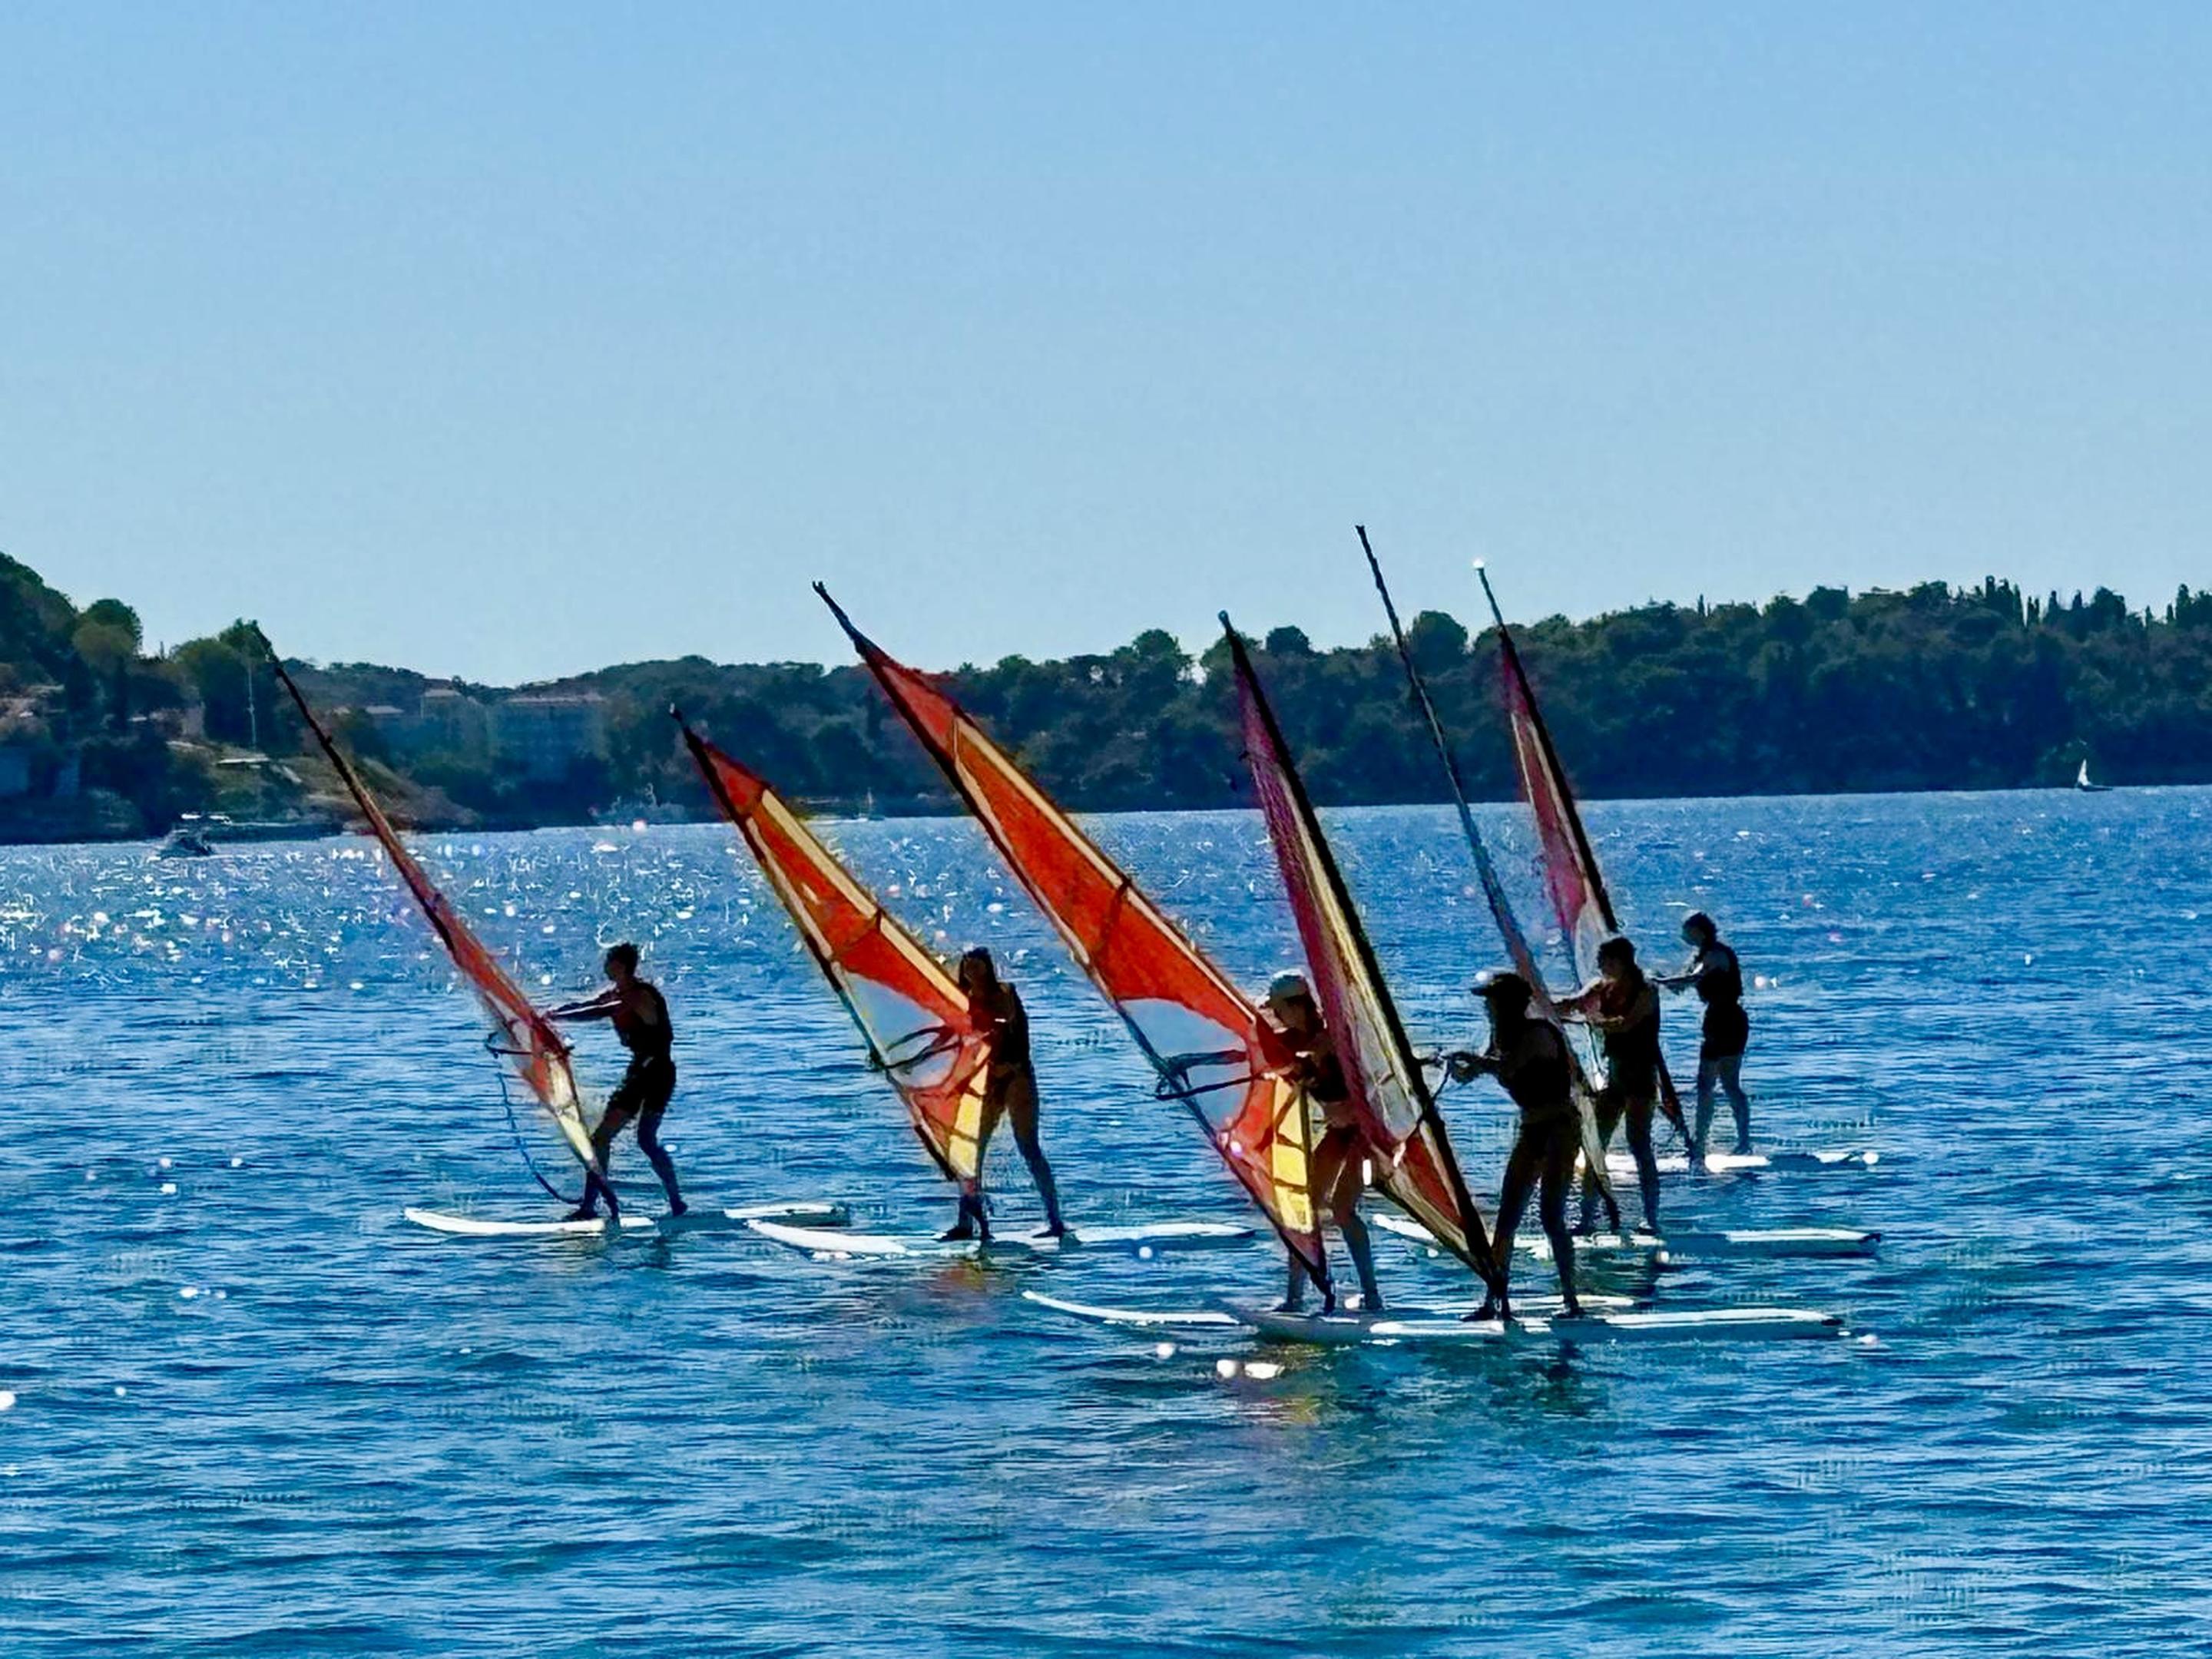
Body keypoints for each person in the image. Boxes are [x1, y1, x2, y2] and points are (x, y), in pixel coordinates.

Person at [1449, 970, 1581, 1321]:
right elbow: (1473, 1074)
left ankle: (1572, 1301)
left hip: (1559, 1128)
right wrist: (1452, 1065)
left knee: (1551, 1216)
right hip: (1531, 1128)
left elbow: (1508, 1066)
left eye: (1491, 1001)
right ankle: (1492, 1302)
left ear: (1509, 1004)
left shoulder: (1538, 1033)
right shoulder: (1500, 1036)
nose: (1487, 1008)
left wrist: (1473, 1060)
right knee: (1507, 1217)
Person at [1264, 970, 1385, 1316]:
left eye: (1279, 1009)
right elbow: (1250, 1054)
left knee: (1342, 1208)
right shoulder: (1288, 1041)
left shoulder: (1334, 1037)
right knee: (1304, 1209)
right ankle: (1295, 1297)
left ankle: (1372, 1295)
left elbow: (1356, 1059)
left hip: (1366, 1134)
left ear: (1296, 1006)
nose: (1276, 1016)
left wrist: (1310, 1061)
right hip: (1338, 1132)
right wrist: (1195, 1062)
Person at [548, 942, 684, 1221]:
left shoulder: (639, 995)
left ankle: (591, 1207)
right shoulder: (618, 994)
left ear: (620, 965)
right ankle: (676, 1202)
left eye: (608, 962)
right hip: (651, 1070)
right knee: (643, 1140)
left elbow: (598, 1011)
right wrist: (549, 1013)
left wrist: (557, 1016)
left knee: (606, 1139)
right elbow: (587, 1006)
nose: (604, 967)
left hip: (653, 1072)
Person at [939, 947, 1063, 1243]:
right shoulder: (962, 1000)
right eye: (968, 967)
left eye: (977, 966)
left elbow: (1020, 1037)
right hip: (984, 1081)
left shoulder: (1006, 993)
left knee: (1029, 1148)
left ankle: (1056, 1221)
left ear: (988, 968)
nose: (972, 972)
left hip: (1016, 1076)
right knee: (970, 1153)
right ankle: (966, 1224)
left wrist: (1009, 1067)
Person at [1561, 936, 1664, 1234]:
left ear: (1621, 961)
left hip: (1641, 1077)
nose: (1599, 965)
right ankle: (1587, 1219)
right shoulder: (1600, 987)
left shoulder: (1646, 990)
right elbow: (1572, 1006)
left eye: (1603, 959)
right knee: (1595, 1146)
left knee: (1639, 1144)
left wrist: (1589, 1022)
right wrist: (1538, 1003)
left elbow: (1626, 1023)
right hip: (1616, 1077)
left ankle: (1651, 1218)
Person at [1657, 912, 1751, 1164]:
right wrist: (1656, 981)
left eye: (1687, 930)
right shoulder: (1699, 956)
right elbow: (1679, 987)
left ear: (1699, 931)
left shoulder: (1715, 955)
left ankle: (1743, 1141)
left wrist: (1660, 980)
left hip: (1730, 1020)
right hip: (1714, 1021)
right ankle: (1701, 1143)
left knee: (1728, 1084)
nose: (1683, 935)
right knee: (1706, 1085)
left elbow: (1693, 978)